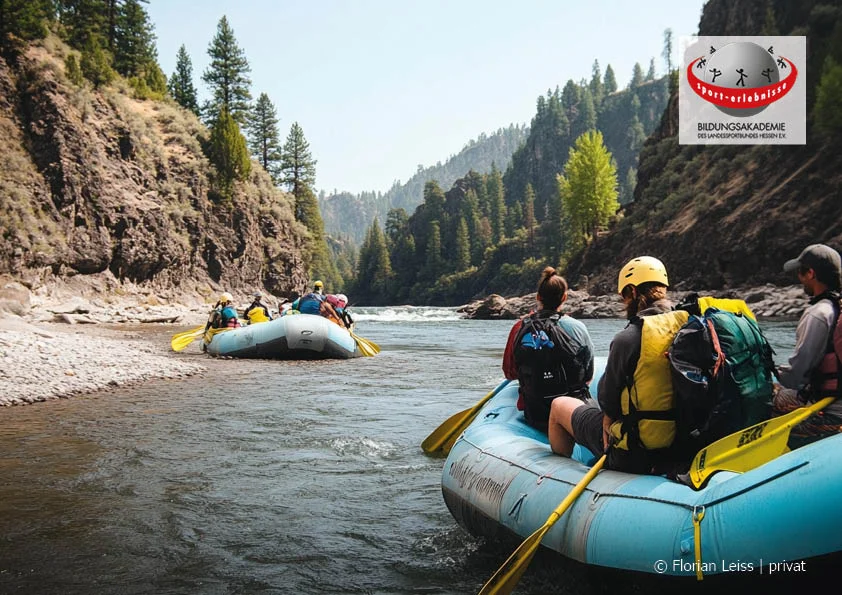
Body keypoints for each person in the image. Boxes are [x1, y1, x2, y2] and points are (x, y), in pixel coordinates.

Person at [547, 256, 678, 474]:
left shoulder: (628, 338)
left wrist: (608, 417)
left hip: (633, 452)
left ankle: (558, 476)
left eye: (625, 296)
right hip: (682, 448)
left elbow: (608, 401)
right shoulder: (691, 327)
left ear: (634, 293)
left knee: (559, 405)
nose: (624, 302)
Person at [502, 267, 595, 433]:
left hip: (535, 412)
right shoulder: (577, 328)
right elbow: (588, 375)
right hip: (573, 411)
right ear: (564, 298)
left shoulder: (520, 327)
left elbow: (511, 372)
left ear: (538, 297)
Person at [772, 244, 842, 447]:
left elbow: (795, 376)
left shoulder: (818, 314)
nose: (799, 278)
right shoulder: (838, 307)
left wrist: (770, 381)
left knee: (766, 397)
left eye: (800, 272)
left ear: (810, 273)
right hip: (835, 399)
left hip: (831, 411)